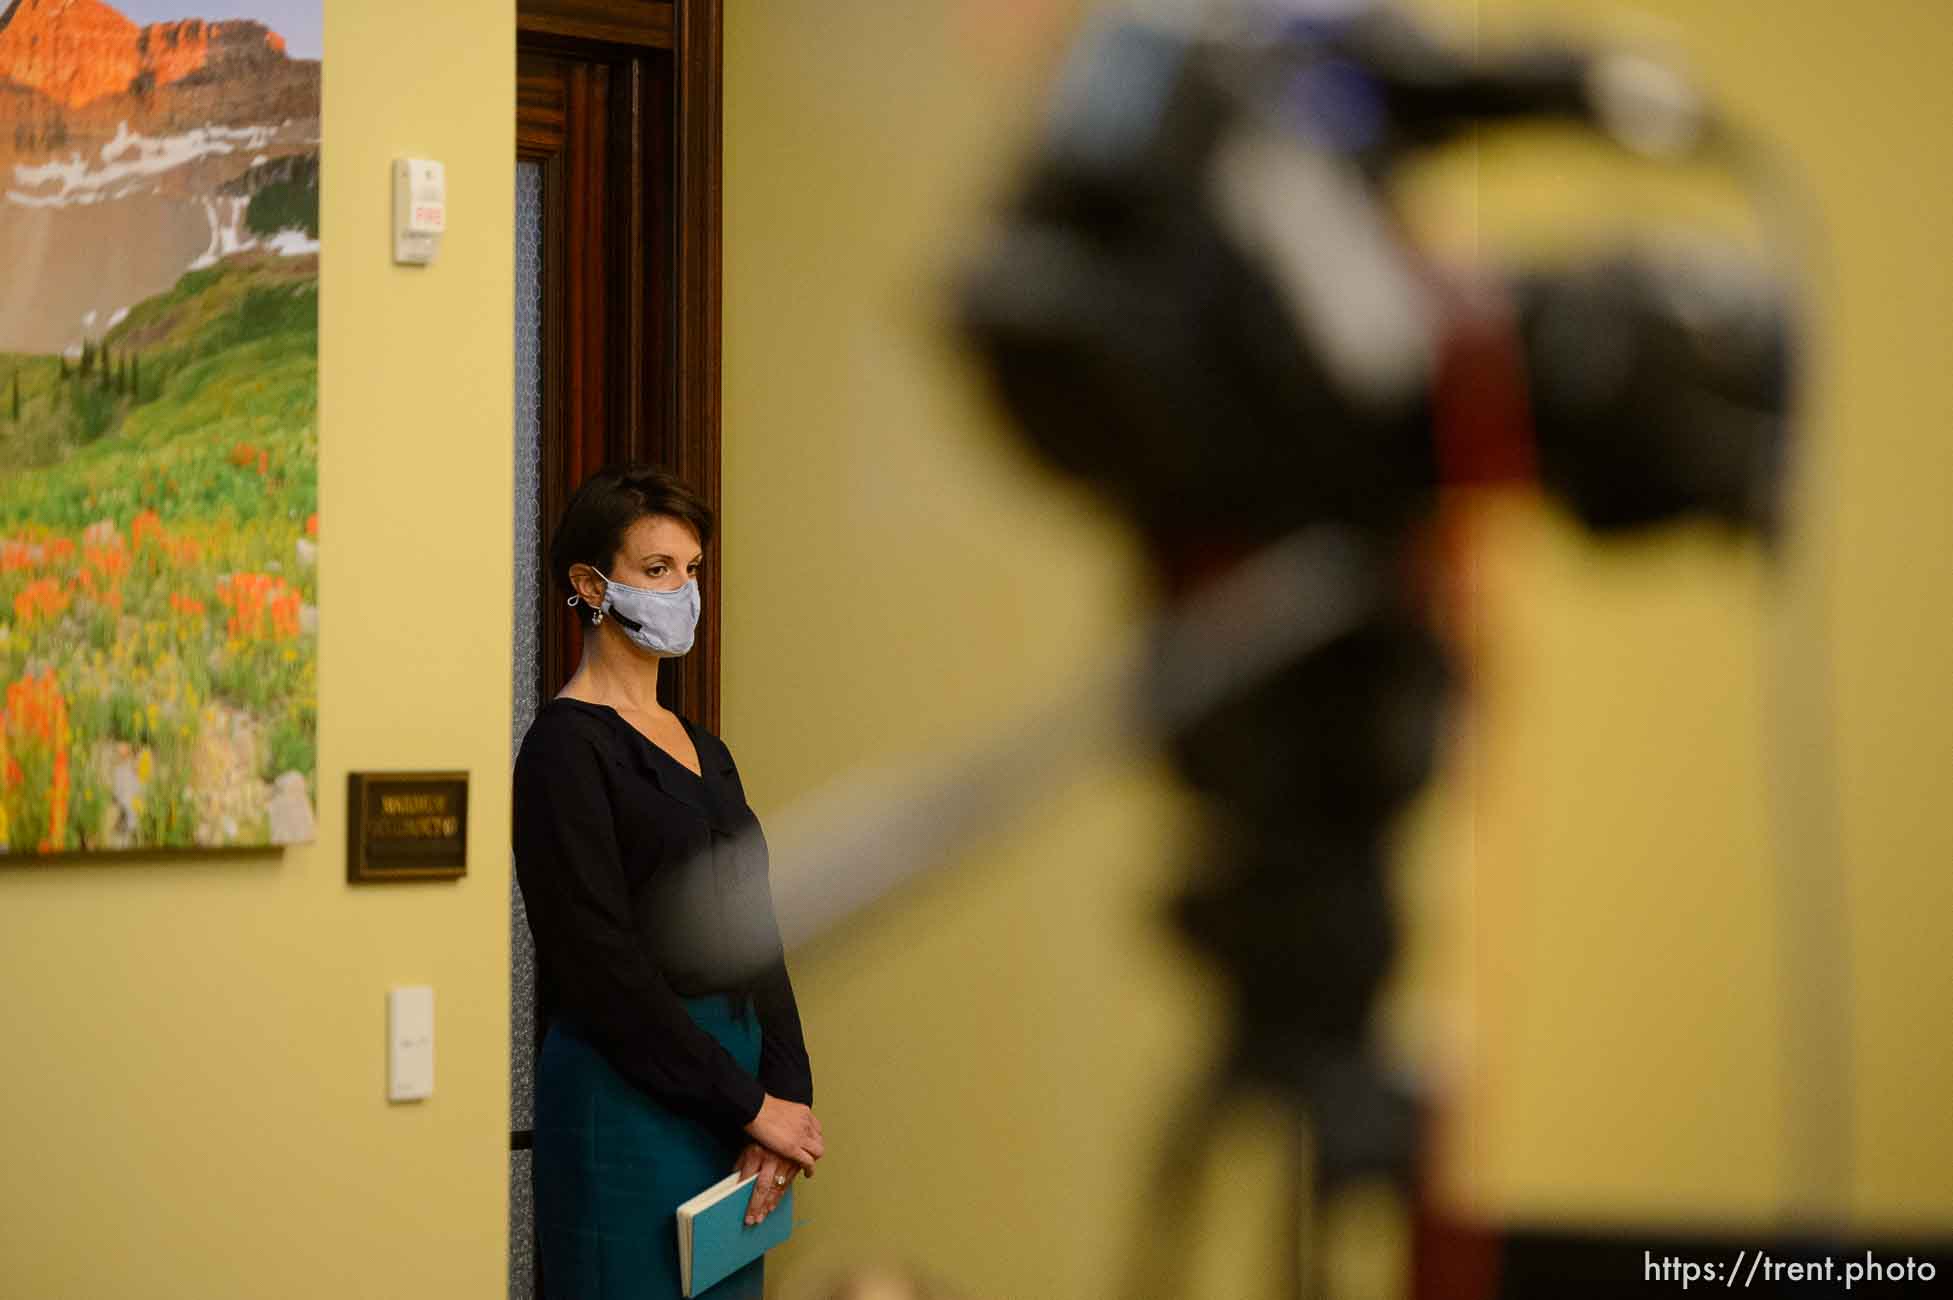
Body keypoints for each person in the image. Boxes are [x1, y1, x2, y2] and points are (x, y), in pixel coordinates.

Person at [514, 464, 822, 1300]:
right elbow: (598, 964)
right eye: (658, 570)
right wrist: (747, 1104)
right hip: (627, 1094)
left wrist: (783, 1098)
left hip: (737, 1095)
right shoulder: (564, 751)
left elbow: (757, 929)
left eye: (692, 570)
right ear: (589, 584)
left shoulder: (704, 746)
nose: (683, 590)